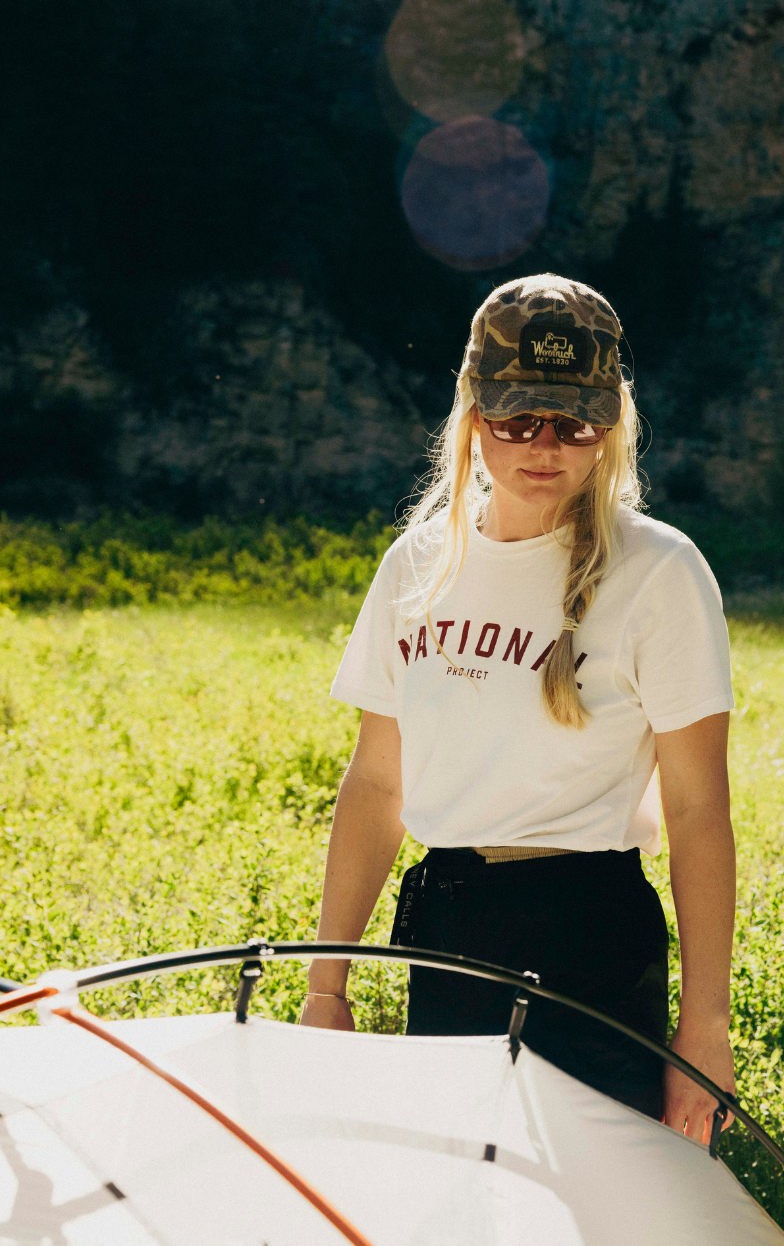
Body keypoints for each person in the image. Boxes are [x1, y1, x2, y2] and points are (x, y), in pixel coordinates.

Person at [300, 274, 736, 1139]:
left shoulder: (660, 572)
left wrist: (706, 1029)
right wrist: (327, 984)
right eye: (515, 419)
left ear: (611, 426)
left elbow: (697, 809)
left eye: (574, 423)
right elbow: (377, 787)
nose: (545, 445)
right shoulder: (415, 567)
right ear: (471, 412)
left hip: (593, 941)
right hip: (447, 931)